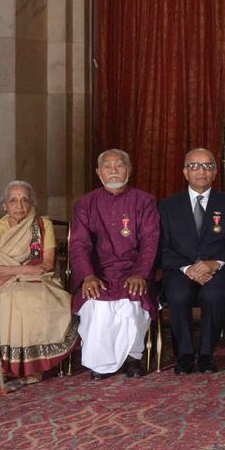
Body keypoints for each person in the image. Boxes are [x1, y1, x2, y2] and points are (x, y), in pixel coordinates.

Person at [0, 180, 77, 384]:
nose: (19, 205)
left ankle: (33, 366)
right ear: (5, 205)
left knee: (28, 297)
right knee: (7, 299)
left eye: (24, 200)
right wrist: (22, 271)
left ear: (32, 204)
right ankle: (1, 366)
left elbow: (46, 264)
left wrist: (12, 274)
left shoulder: (42, 224)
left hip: (39, 280)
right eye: (13, 200)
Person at [70, 149, 159, 379]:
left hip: (133, 271)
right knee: (97, 305)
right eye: (107, 167)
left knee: (131, 304)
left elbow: (150, 242)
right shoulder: (85, 204)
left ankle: (132, 358)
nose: (113, 171)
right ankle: (100, 363)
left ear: (128, 169)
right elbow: (79, 245)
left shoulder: (145, 201)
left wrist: (140, 273)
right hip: (99, 273)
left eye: (119, 166)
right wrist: (87, 276)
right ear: (99, 172)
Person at [158, 148, 225, 374]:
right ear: (185, 172)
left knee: (213, 294)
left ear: (215, 173)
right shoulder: (167, 206)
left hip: (217, 270)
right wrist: (188, 268)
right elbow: (161, 249)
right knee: (178, 294)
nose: (201, 171)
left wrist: (214, 264)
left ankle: (207, 353)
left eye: (207, 166)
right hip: (180, 269)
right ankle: (184, 354)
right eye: (194, 166)